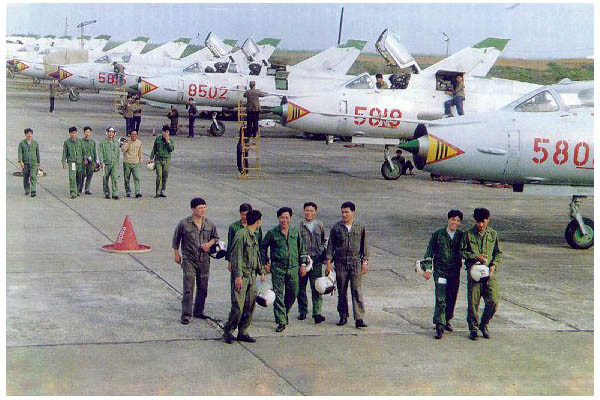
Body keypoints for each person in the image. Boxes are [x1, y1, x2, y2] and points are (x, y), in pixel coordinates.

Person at [172, 198, 220, 325]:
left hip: (204, 260)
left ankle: (199, 311)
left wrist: (208, 244)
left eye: (204, 207)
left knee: (203, 287)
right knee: (188, 288)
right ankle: (186, 314)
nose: (203, 210)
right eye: (200, 208)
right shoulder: (184, 224)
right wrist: (176, 254)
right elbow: (176, 240)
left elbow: (215, 237)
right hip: (189, 259)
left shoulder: (209, 224)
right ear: (193, 209)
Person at [261, 207, 307, 332]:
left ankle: (284, 312)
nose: (284, 220)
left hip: (293, 268)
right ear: (278, 218)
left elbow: (301, 249)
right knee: (278, 294)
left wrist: (303, 265)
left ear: (290, 218)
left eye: (287, 218)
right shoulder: (272, 233)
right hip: (278, 268)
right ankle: (281, 320)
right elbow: (263, 248)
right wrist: (266, 263)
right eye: (282, 217)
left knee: (293, 293)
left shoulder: (295, 231)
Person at [223, 209, 265, 343]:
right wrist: (238, 276)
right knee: (238, 306)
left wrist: (261, 271)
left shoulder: (254, 235)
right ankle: (229, 330)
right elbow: (237, 256)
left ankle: (243, 331)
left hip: (252, 275)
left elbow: (256, 254)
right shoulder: (241, 235)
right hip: (242, 276)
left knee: (250, 305)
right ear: (258, 221)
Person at [461, 207, 503, 341]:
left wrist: (494, 266)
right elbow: (462, 251)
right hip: (474, 273)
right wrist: (475, 256)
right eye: (478, 222)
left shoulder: (493, 235)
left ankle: (484, 324)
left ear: (488, 220)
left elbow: (498, 253)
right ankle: (473, 328)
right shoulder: (468, 235)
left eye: (483, 222)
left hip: (489, 274)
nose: (480, 225)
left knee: (493, 301)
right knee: (473, 303)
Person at [326, 201, 369, 329]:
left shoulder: (360, 226)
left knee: (356, 289)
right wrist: (328, 264)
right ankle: (343, 316)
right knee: (341, 290)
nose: (344, 214)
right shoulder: (337, 227)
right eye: (343, 212)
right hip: (340, 262)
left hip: (355, 262)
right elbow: (330, 246)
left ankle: (359, 318)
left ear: (353, 212)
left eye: (347, 212)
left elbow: (364, 245)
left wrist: (365, 262)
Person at [423, 210, 464, 339]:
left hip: (454, 272)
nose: (455, 222)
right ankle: (439, 325)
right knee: (441, 298)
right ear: (448, 220)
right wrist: (428, 269)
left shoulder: (461, 236)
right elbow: (429, 252)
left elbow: (467, 251)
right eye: (453, 219)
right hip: (441, 271)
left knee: (452, 297)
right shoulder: (438, 234)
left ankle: (446, 319)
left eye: (458, 221)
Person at [297, 202, 327, 324]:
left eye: (311, 211)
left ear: (315, 212)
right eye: (307, 210)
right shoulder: (299, 227)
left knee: (317, 287)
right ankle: (303, 311)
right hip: (303, 261)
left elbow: (324, 240)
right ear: (303, 211)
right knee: (301, 287)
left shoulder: (319, 225)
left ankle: (317, 312)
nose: (309, 213)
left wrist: (321, 250)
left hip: (316, 261)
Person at [226, 203, 263, 273]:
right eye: (242, 214)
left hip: (251, 260)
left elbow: (260, 244)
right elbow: (230, 244)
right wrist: (229, 261)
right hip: (238, 259)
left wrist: (261, 263)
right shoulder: (233, 227)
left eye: (246, 214)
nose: (244, 217)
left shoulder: (256, 227)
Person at [149, 125, 175, 198]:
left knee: (164, 176)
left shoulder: (171, 140)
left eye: (166, 132)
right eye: (164, 132)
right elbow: (154, 148)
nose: (165, 133)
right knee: (159, 175)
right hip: (158, 159)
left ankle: (163, 191)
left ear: (168, 133)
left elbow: (171, 149)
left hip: (166, 160)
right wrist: (151, 157)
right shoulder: (158, 138)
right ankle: (157, 192)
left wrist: (168, 142)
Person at [98, 126, 120, 200]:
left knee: (115, 178)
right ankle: (106, 193)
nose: (111, 134)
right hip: (106, 164)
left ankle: (115, 193)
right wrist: (101, 162)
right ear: (107, 133)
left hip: (114, 163)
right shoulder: (103, 142)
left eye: (112, 132)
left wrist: (118, 163)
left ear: (114, 133)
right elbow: (100, 152)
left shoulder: (116, 142)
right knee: (105, 179)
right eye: (109, 132)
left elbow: (118, 153)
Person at [18, 128, 41, 197]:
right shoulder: (22, 143)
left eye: (31, 133)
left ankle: (33, 190)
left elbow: (37, 153)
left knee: (33, 176)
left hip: (34, 163)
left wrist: (38, 162)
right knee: (25, 177)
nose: (29, 135)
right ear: (25, 134)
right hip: (25, 163)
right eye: (28, 134)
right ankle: (27, 189)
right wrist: (21, 161)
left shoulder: (35, 143)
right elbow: (20, 153)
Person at [61, 126, 83, 199]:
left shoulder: (80, 141)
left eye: (74, 133)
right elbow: (64, 152)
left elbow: (83, 151)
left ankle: (77, 189)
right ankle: (73, 192)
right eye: (72, 133)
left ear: (76, 133)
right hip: (72, 162)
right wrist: (64, 162)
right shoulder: (67, 142)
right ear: (69, 134)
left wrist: (85, 159)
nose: (73, 134)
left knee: (79, 176)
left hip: (79, 162)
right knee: (72, 177)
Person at [121, 129, 143, 198]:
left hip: (136, 163)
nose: (134, 136)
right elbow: (123, 149)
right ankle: (128, 191)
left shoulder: (139, 143)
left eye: (135, 134)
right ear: (130, 135)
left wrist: (140, 161)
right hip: (127, 162)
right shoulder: (126, 142)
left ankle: (137, 192)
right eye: (132, 134)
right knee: (126, 178)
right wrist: (128, 143)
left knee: (137, 177)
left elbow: (140, 153)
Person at [80, 126, 97, 195]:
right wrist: (84, 158)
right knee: (82, 175)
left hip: (91, 161)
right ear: (84, 133)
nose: (87, 133)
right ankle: (79, 188)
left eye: (89, 132)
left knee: (90, 175)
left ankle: (87, 189)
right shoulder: (80, 141)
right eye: (86, 132)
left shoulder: (93, 142)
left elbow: (94, 152)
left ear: (90, 133)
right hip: (83, 161)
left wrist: (95, 161)